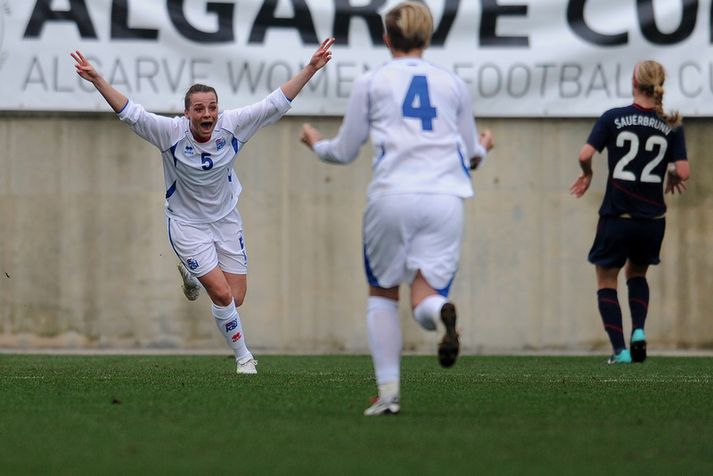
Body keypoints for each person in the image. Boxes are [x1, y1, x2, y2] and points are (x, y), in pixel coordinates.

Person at [71, 38, 335, 374]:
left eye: (212, 107)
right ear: (187, 113)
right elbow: (131, 114)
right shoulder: (170, 132)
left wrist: (311, 68)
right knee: (223, 296)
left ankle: (194, 279)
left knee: (235, 298)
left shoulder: (233, 124)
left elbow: (275, 102)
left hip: (226, 221)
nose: (207, 114)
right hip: (186, 224)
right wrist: (97, 80)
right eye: (199, 108)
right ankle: (244, 358)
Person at [300, 2, 494, 415]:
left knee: (382, 295)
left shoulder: (371, 82)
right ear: (427, 37)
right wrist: (485, 150)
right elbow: (472, 153)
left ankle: (388, 396)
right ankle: (440, 312)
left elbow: (345, 151)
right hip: (445, 198)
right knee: (427, 293)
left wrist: (315, 143)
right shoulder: (453, 84)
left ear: (387, 39)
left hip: (392, 195)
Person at [570, 60, 689, 365]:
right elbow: (684, 171)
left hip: (617, 218)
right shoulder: (672, 124)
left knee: (606, 281)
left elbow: (585, 154)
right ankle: (638, 331)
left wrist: (587, 173)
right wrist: (672, 172)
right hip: (652, 222)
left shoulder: (613, 118)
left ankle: (620, 351)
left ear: (634, 83)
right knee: (636, 274)